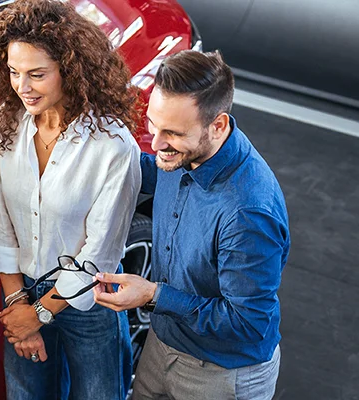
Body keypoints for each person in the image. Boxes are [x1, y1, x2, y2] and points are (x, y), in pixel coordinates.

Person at [0, 0, 142, 398]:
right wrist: (18, 305)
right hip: (21, 291)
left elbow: (98, 254)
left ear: (70, 69)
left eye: (37, 74)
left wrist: (39, 314)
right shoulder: (7, 121)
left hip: (90, 305)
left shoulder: (113, 148)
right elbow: (3, 223)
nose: (22, 87)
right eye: (13, 72)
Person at [93, 50, 290, 400]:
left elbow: (248, 323)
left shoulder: (248, 212)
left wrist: (154, 295)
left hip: (220, 373)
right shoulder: (186, 152)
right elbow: (155, 172)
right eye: (153, 124)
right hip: (163, 341)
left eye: (172, 133)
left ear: (218, 125)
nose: (156, 144)